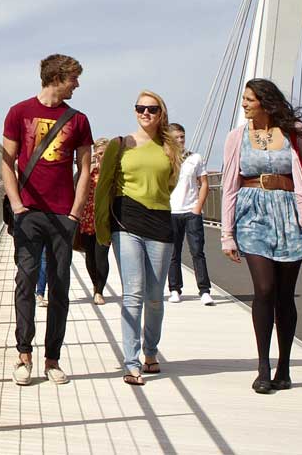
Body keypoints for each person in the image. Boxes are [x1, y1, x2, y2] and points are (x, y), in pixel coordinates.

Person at [220, 78, 302, 395]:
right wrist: (227, 234)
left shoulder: (292, 133)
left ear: (264, 101)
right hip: (253, 214)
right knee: (264, 288)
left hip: (289, 215)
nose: (244, 104)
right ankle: (262, 367)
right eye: (244, 99)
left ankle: (284, 366)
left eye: (249, 99)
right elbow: (229, 187)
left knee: (285, 295)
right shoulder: (236, 138)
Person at [1, 53, 95, 386]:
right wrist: (16, 204)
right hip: (28, 211)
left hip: (62, 214)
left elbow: (84, 169)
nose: (78, 84)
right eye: (74, 79)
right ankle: (23, 354)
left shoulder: (79, 120)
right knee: (26, 280)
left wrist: (75, 211)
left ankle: (52, 359)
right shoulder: (19, 112)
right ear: (58, 77)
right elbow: (6, 162)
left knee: (60, 286)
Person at [90, 90, 182, 385]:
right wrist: (102, 228)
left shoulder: (169, 148)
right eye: (140, 108)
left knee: (155, 296)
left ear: (161, 113)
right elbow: (104, 185)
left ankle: (150, 351)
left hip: (159, 222)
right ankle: (131, 363)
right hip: (126, 221)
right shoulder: (121, 145)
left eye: (152, 109)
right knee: (134, 292)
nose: (145, 113)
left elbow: (169, 184)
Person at [165, 123, 213, 305]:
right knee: (172, 253)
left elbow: (205, 184)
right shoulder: (165, 159)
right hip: (171, 211)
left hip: (191, 211)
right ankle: (175, 289)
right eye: (176, 137)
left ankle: (204, 290)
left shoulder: (195, 158)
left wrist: (198, 208)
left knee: (197, 251)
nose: (180, 140)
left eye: (182, 137)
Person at [75, 140, 111, 304]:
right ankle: (95, 285)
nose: (100, 156)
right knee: (90, 256)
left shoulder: (112, 172)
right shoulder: (87, 171)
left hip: (105, 219)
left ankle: (99, 291)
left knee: (101, 255)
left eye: (104, 153)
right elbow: (75, 188)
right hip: (87, 217)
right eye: (98, 153)